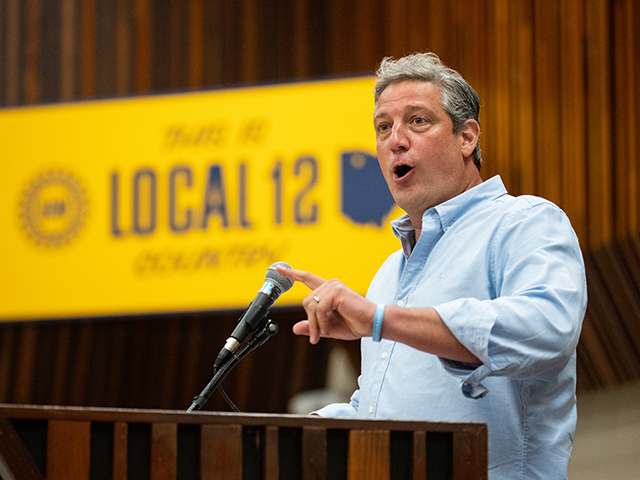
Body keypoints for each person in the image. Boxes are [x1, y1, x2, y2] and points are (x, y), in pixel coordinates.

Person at [277, 52, 587, 479]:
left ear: (467, 138)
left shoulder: (524, 222)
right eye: (383, 127)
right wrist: (282, 438)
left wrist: (382, 319)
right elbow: (381, 410)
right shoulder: (389, 272)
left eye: (417, 121)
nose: (395, 140)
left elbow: (548, 326)